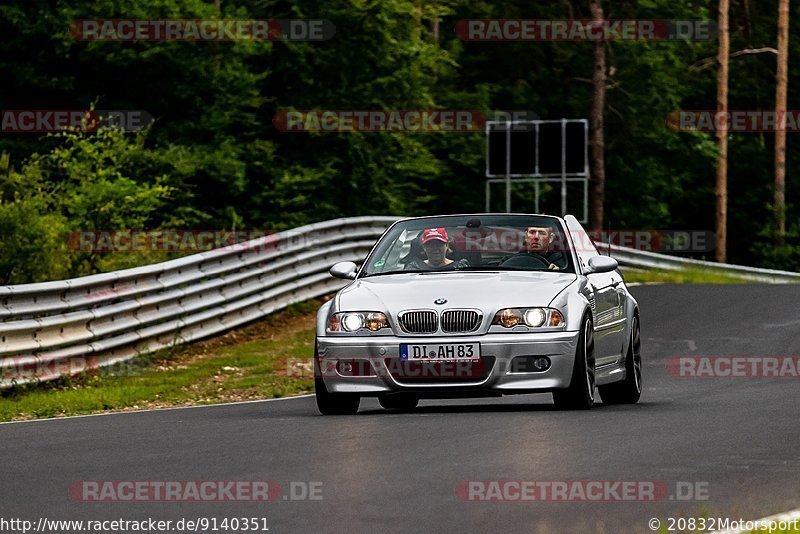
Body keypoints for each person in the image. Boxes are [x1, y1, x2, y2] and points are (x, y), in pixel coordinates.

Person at [404, 228, 469, 271]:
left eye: (439, 244)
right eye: (430, 245)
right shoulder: (413, 268)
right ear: (424, 248)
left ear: (446, 246)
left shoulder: (460, 267)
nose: (435, 248)